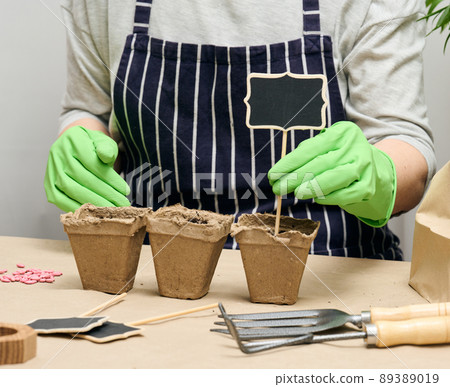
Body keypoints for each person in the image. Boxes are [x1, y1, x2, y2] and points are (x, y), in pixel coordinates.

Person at [44, 0, 436, 260]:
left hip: (326, 271)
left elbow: (406, 144)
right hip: (151, 269)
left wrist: (379, 173)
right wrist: (80, 145)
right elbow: (88, 108)